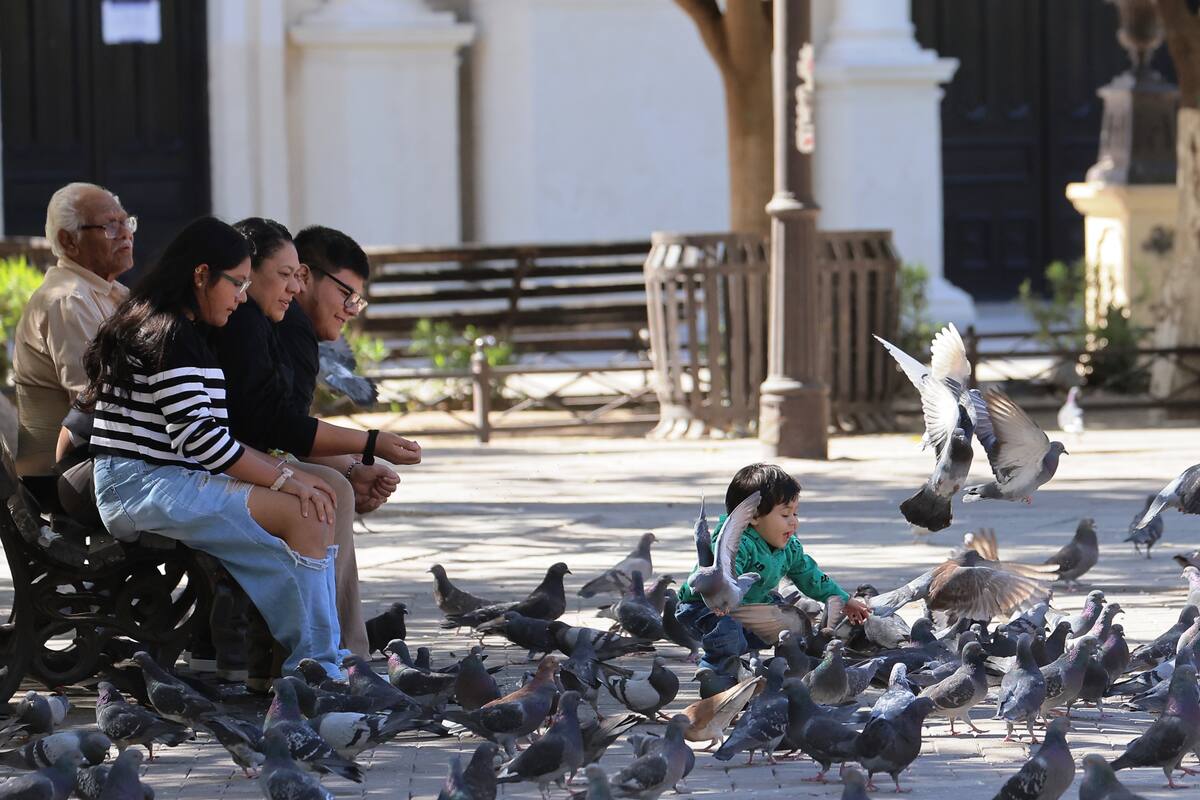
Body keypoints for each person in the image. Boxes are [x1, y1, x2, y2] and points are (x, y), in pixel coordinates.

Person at [83, 216, 345, 679]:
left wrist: (296, 478)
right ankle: (318, 667)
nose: (242, 296)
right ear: (201, 275)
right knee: (304, 510)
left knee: (312, 507)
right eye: (237, 283)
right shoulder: (167, 333)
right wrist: (289, 478)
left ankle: (318, 661)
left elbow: (206, 441)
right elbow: (203, 442)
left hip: (165, 479)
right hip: (139, 486)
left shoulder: (186, 330)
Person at [212, 218, 419, 657]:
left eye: (358, 300)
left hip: (233, 454)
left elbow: (274, 431)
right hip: (198, 468)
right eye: (346, 294)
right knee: (330, 492)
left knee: (334, 485)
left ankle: (333, 648)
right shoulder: (263, 322)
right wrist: (367, 445)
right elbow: (274, 428)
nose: (351, 308)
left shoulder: (270, 322)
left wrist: (348, 461)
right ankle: (342, 652)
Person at [674, 463, 871, 674]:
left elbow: (811, 576)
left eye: (795, 514)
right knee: (727, 632)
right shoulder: (738, 544)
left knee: (792, 620)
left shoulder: (789, 547)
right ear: (753, 516)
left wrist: (844, 599)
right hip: (705, 609)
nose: (794, 522)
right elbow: (727, 578)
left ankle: (788, 668)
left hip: (749, 607)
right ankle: (716, 674)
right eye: (786, 515)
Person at [12, 183, 134, 501]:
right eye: (110, 225)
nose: (126, 234)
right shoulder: (69, 298)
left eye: (127, 222)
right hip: (63, 476)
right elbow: (96, 404)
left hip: (99, 460)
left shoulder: (112, 293)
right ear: (69, 240)